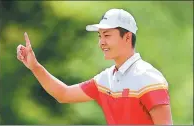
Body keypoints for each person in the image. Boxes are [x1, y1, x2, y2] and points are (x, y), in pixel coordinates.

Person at [16, 8, 173, 125]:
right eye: (100, 36)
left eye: (107, 36)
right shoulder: (105, 79)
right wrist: (35, 67)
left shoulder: (148, 78)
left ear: (127, 37)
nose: (101, 42)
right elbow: (63, 94)